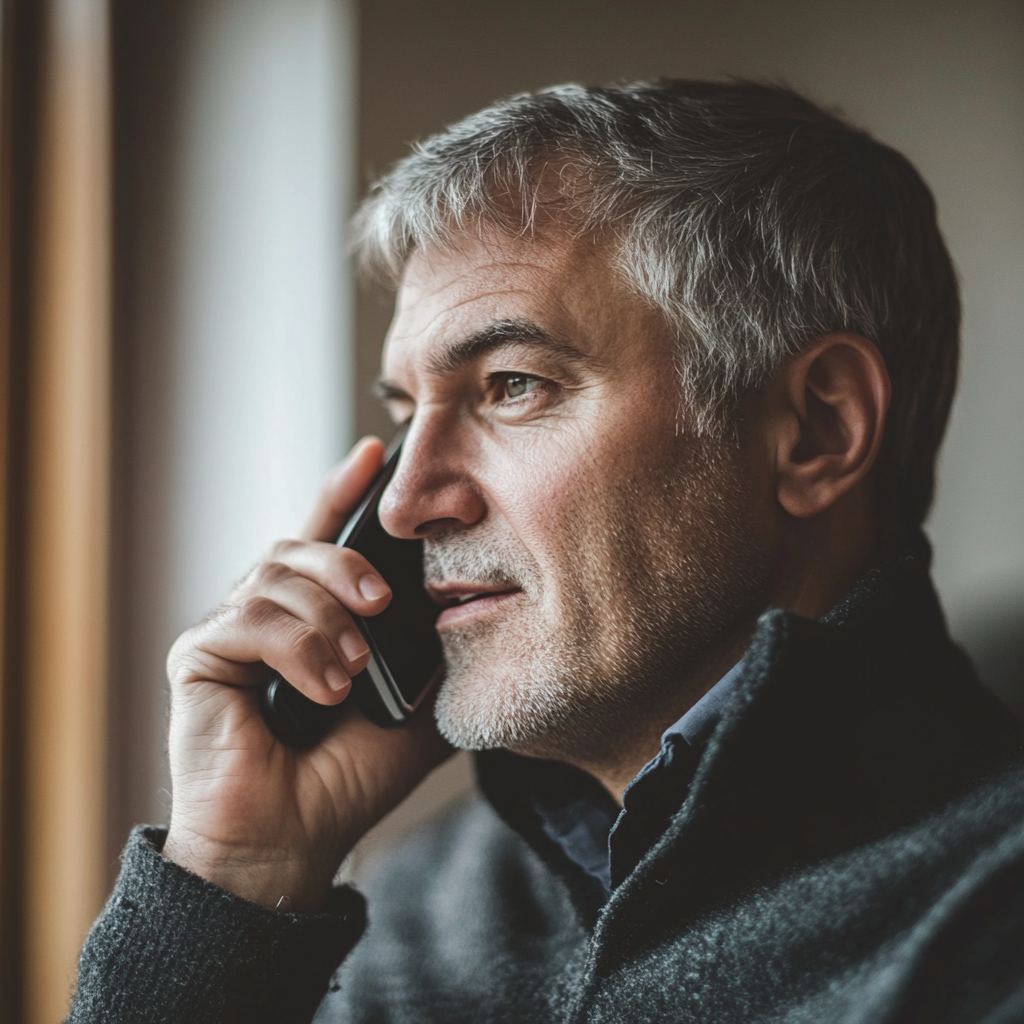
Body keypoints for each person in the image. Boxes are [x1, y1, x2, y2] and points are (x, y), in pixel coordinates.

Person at [68, 80, 1024, 1024]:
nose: (403, 503)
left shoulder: (989, 924)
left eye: (512, 385)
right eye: (405, 413)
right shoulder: (420, 916)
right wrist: (236, 885)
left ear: (817, 430)